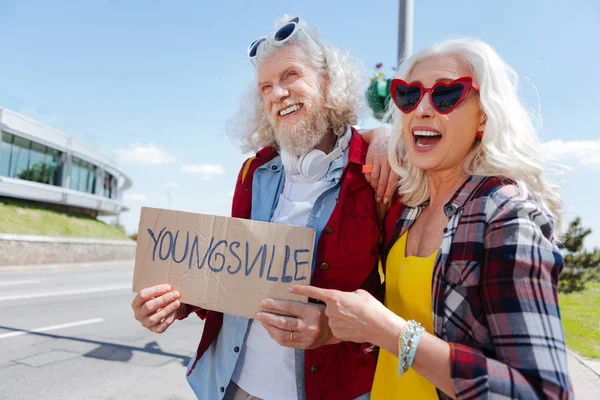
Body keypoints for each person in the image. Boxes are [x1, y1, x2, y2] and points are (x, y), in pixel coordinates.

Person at [291, 38, 574, 399]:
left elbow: (542, 392)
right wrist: (339, 329)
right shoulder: (410, 206)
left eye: (446, 95)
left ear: (484, 116)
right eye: (409, 96)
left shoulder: (506, 214)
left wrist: (389, 332)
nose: (422, 109)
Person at [132, 16, 397, 400]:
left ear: (326, 82)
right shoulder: (252, 172)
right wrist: (179, 301)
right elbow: (235, 276)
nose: (277, 93)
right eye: (266, 86)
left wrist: (331, 328)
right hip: (233, 386)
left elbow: (403, 298)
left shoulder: (376, 173)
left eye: (291, 75)